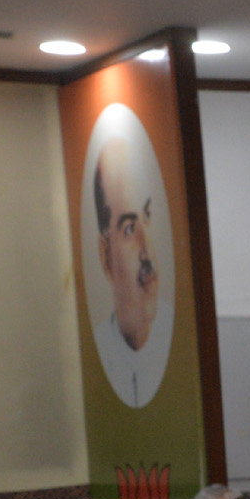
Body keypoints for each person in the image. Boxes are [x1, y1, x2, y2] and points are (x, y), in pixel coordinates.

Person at [89, 133, 172, 408]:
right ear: (106, 256)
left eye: (146, 217)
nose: (146, 249)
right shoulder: (97, 355)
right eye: (128, 228)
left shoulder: (178, 338)